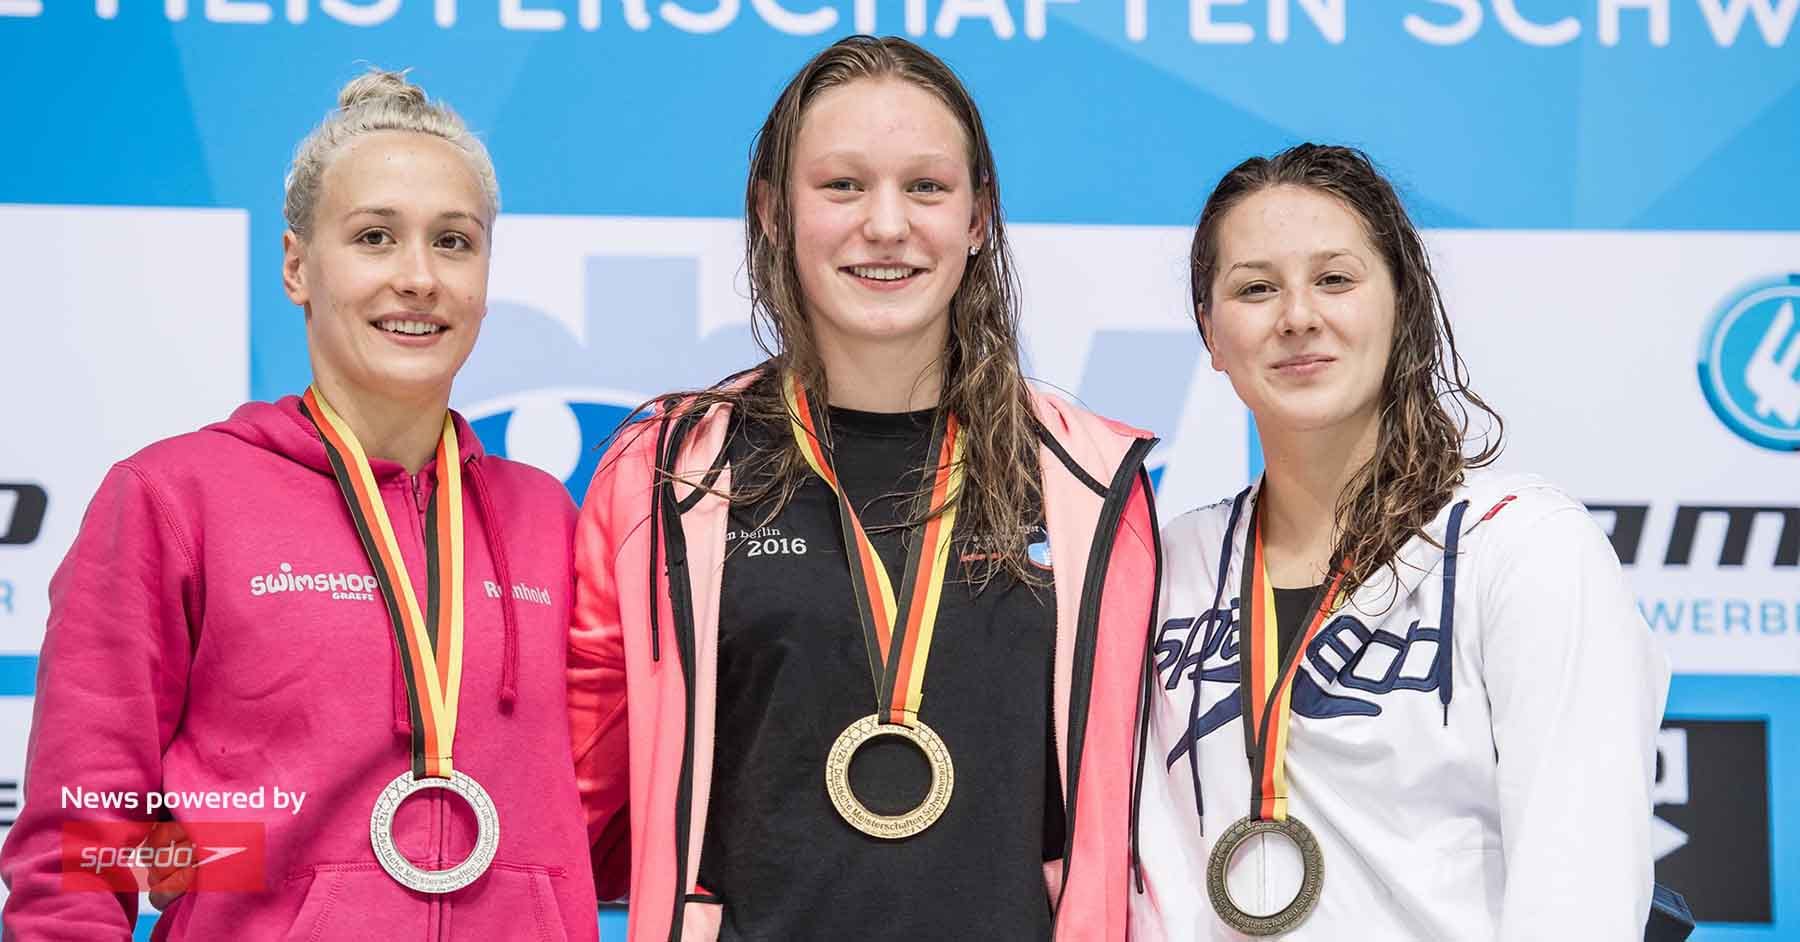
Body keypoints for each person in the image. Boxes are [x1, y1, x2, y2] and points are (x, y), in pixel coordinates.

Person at [568, 34, 1159, 942]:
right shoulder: (666, 472)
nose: (886, 225)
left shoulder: (1089, 483)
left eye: (926, 187)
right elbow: (575, 807)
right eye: (842, 185)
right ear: (773, 212)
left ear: (978, 217)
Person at [0, 70, 598, 940]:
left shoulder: (547, 519)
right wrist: (258, 865)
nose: (419, 277)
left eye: (453, 242)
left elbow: (614, 808)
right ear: (296, 266)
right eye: (374, 237)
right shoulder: (176, 498)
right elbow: (83, 845)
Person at [1129, 143, 1670, 941]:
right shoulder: (1170, 564)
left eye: (1335, 279)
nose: (1298, 316)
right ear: (1211, 333)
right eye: (1255, 288)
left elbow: (1578, 887)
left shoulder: (1523, 547)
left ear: (1402, 304)